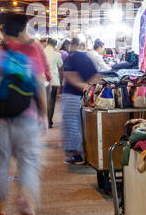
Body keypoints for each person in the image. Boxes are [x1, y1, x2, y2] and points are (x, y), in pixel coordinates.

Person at [0, 12, 47, 215]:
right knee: (28, 162)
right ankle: (27, 202)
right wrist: (44, 115)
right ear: (21, 30)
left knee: (0, 164)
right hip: (27, 117)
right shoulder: (33, 50)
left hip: (0, 118)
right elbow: (39, 85)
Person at [60, 36, 103, 165]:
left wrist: (83, 86)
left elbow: (69, 76)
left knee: (73, 126)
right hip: (83, 97)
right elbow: (97, 75)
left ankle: (78, 156)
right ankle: (86, 155)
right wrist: (88, 88)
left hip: (72, 96)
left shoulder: (71, 57)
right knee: (82, 125)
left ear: (71, 45)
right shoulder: (85, 57)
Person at [41, 37, 64, 128]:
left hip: (42, 80)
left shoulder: (41, 53)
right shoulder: (56, 54)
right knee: (52, 101)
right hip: (53, 81)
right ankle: (49, 121)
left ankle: (43, 122)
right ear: (55, 45)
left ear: (47, 43)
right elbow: (60, 65)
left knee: (43, 101)